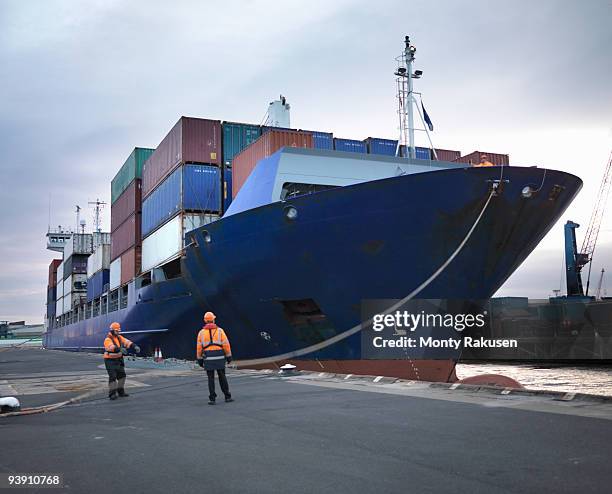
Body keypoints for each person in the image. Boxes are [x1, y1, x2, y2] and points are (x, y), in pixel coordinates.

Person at [196, 312, 233, 405]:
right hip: (219, 356)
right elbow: (226, 345)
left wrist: (199, 359)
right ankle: (227, 396)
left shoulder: (201, 333)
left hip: (208, 357)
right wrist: (229, 357)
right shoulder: (220, 331)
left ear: (205, 320)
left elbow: (199, 347)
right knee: (222, 376)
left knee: (210, 378)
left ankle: (212, 399)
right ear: (214, 319)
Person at [103, 322, 140, 400]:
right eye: (117, 331)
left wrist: (134, 346)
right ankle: (112, 394)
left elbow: (127, 342)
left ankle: (121, 392)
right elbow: (110, 347)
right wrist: (119, 349)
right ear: (112, 331)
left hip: (119, 360)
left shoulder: (119, 337)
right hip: (110, 360)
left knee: (122, 376)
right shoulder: (107, 339)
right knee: (113, 377)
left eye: (118, 331)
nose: (118, 332)